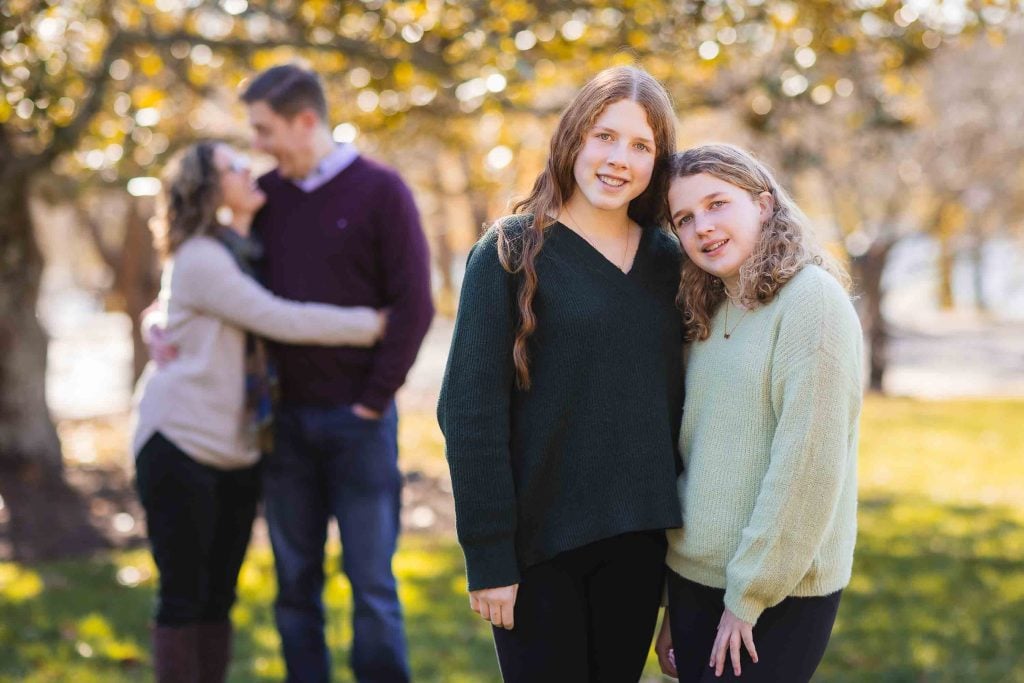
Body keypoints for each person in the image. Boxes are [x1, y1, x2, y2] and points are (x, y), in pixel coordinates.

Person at [437, 66, 684, 682]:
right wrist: (489, 554)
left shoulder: (672, 263)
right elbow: (470, 413)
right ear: (574, 138)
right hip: (536, 549)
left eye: (640, 146)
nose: (618, 158)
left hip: (638, 545)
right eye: (605, 136)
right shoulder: (509, 252)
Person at [133, 140, 387, 683]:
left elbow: (172, 307)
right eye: (234, 167)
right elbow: (275, 316)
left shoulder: (244, 249)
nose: (251, 170)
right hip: (179, 441)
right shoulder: (203, 255)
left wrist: (152, 318)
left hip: (237, 447)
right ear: (208, 187)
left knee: (218, 596)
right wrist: (375, 324)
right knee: (184, 594)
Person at [241, 65, 434, 683]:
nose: (258, 145)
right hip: (285, 427)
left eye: (265, 129)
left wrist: (373, 403)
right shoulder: (262, 199)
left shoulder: (382, 190)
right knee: (294, 585)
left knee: (372, 583)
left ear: (305, 121)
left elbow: (415, 306)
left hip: (360, 423)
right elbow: (214, 278)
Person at [654, 144, 863, 683]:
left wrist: (748, 597)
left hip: (777, 592)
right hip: (694, 580)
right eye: (685, 218)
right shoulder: (710, 310)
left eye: (718, 203)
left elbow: (808, 466)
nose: (703, 226)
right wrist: (674, 603)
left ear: (764, 205)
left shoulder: (811, 302)